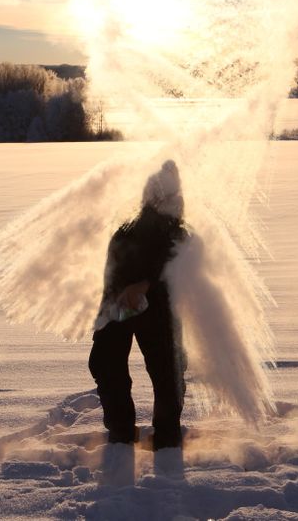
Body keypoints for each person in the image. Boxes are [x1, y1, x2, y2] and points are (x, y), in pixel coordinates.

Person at [89, 160, 188, 482]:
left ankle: (168, 438)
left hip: (160, 312)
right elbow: (111, 269)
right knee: (104, 363)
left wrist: (146, 284)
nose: (158, 200)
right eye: (154, 194)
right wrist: (111, 306)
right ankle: (120, 430)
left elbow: (175, 258)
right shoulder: (128, 228)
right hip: (119, 309)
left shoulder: (178, 232)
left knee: (167, 371)